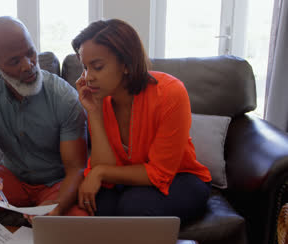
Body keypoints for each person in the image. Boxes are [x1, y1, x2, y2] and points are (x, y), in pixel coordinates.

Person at [0, 16, 88, 223]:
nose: (28, 65)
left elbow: (76, 168)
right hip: (11, 178)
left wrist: (57, 206)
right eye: (14, 61)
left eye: (30, 53)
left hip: (57, 182)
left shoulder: (64, 97)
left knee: (76, 220)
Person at [72, 19, 212, 223]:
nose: (88, 77)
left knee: (134, 206)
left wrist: (100, 173)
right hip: (124, 179)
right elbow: (104, 166)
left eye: (98, 67)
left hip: (180, 178)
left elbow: (160, 173)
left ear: (127, 65)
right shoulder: (100, 97)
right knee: (97, 206)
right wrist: (93, 112)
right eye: (85, 68)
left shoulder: (171, 93)